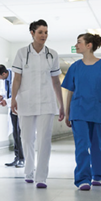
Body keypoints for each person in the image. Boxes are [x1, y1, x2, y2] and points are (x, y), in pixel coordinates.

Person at [10, 20, 65, 188]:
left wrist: (61, 104)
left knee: (44, 140)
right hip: (26, 101)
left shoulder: (52, 54)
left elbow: (56, 81)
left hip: (47, 102)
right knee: (26, 139)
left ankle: (41, 177)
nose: (44, 36)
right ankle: (29, 170)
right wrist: (13, 99)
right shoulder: (21, 53)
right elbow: (17, 78)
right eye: (40, 32)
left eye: (46, 32)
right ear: (32, 33)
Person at [61, 33, 101, 191]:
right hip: (78, 111)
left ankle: (98, 175)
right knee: (82, 145)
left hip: (98, 110)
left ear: (89, 46)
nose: (76, 45)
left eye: (79, 42)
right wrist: (67, 113)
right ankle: (82, 179)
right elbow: (70, 92)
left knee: (98, 146)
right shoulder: (74, 67)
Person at [0, 64, 24, 168]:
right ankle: (17, 157)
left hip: (21, 107)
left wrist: (6, 101)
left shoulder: (17, 76)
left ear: (4, 73)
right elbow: (8, 93)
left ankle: (22, 159)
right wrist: (2, 97)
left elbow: (19, 94)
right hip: (12, 108)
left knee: (20, 134)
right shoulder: (5, 79)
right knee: (15, 133)